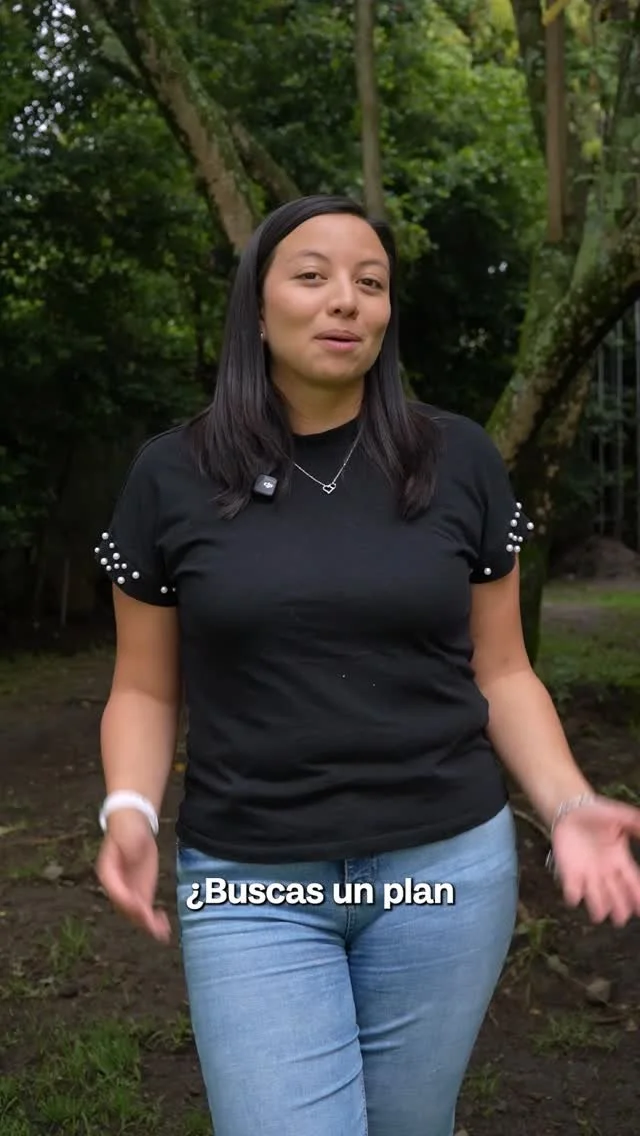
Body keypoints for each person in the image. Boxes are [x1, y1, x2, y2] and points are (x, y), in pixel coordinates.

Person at [93, 194, 640, 1136]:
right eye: (313, 276)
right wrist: (131, 808)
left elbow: (503, 671)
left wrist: (568, 803)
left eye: (371, 282)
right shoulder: (172, 474)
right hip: (252, 881)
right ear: (256, 305)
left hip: (445, 874)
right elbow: (144, 686)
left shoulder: (458, 459)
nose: (346, 299)